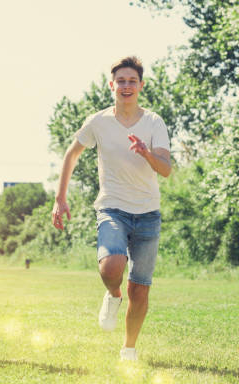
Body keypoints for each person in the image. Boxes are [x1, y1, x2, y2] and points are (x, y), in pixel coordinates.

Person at [52, 56, 172, 361]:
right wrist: (60, 198)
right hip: (112, 208)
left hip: (148, 214)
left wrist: (146, 153)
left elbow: (166, 169)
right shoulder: (98, 122)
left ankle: (129, 347)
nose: (127, 86)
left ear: (141, 86)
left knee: (141, 289)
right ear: (112, 85)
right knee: (111, 266)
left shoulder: (154, 122)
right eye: (121, 81)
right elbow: (72, 153)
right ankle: (113, 294)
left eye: (132, 81)